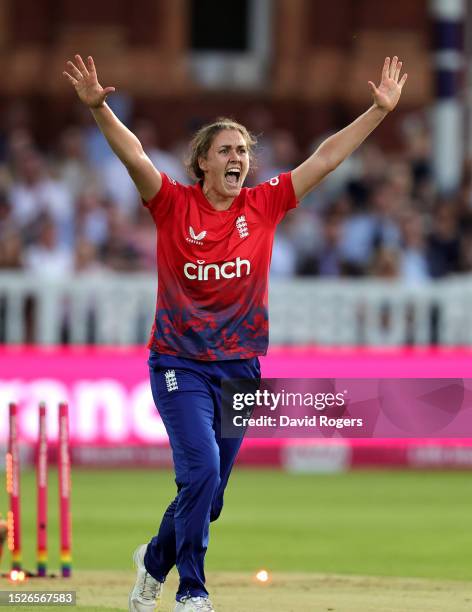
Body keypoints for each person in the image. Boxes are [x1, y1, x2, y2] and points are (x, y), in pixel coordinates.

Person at [63, 54, 407, 612]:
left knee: (210, 495)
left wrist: (377, 110)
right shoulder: (172, 204)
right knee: (199, 471)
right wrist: (100, 107)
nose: (237, 159)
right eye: (225, 150)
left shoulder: (264, 205)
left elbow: (325, 159)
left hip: (243, 368)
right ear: (201, 162)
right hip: (179, 364)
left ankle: (153, 560)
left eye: (243, 151)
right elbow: (134, 155)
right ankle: (191, 591)